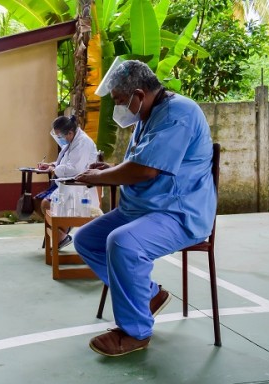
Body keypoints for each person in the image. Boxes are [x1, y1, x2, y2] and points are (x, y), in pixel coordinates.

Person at [72, 60, 216, 356]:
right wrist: (110, 169)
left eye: (121, 101)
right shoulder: (148, 116)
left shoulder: (179, 114)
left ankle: (136, 332)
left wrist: (99, 177)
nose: (119, 108)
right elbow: (141, 164)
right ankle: (149, 295)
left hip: (178, 213)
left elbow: (146, 171)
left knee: (123, 243)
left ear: (139, 94)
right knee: (86, 240)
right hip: (143, 209)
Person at [35, 115, 99, 248]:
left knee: (46, 204)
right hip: (66, 184)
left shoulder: (82, 142)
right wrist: (51, 165)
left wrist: (54, 168)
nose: (60, 139)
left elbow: (75, 168)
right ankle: (61, 235)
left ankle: (61, 235)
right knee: (36, 202)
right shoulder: (72, 142)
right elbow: (66, 162)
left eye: (60, 136)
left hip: (79, 187)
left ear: (70, 132)